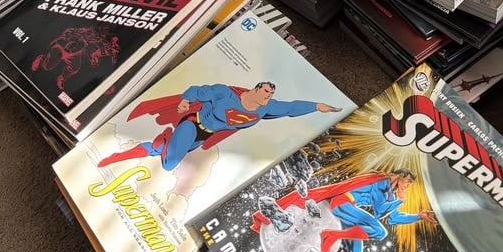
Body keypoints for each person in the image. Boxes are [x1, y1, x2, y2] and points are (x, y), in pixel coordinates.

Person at [253, 168, 438, 252]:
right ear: (400, 177)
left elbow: (394, 218)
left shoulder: (389, 192)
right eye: (407, 183)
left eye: (409, 186)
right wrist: (400, 199)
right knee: (380, 232)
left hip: (351, 214)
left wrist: (418, 216)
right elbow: (380, 210)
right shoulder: (382, 183)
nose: (407, 187)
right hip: (341, 204)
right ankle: (331, 235)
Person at [96, 81, 340, 171]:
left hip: (204, 137)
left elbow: (290, 107)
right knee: (169, 164)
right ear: (256, 88)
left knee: (158, 153)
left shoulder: (266, 108)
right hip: (193, 124)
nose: (268, 96)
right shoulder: (227, 93)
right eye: (266, 91)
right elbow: (201, 90)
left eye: (271, 94)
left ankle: (120, 156)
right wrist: (185, 101)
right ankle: (165, 138)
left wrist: (318, 106)